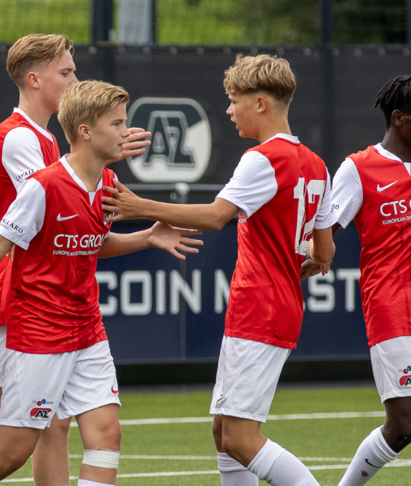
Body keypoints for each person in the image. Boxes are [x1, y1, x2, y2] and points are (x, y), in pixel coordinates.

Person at [0, 80, 201, 486]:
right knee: (12, 451)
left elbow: (93, 243)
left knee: (107, 435)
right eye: (117, 124)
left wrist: (148, 236)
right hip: (39, 332)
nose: (125, 132)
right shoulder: (43, 186)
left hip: (88, 328)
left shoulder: (108, 184)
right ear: (85, 131)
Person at [102, 54, 335, 486]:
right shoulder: (316, 163)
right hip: (276, 306)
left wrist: (139, 206)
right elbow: (324, 251)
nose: (229, 110)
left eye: (234, 100)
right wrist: (295, 266)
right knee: (223, 432)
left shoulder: (263, 158)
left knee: (241, 438)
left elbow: (215, 216)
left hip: (260, 308)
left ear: (260, 103)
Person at [303, 74, 411, 485]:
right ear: (399, 118)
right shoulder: (360, 168)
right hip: (393, 308)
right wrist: (311, 259)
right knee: (403, 424)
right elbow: (321, 231)